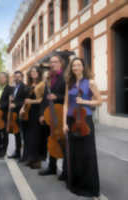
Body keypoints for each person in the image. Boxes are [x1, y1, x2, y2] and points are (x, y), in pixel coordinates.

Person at [63, 57, 102, 198]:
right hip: (71, 120)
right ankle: (76, 184)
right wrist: (64, 123)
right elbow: (66, 104)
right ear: (71, 68)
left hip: (85, 119)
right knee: (74, 154)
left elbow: (99, 101)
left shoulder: (90, 82)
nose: (76, 67)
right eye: (73, 65)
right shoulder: (70, 83)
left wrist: (84, 100)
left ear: (83, 67)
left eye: (78, 65)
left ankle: (89, 187)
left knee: (87, 153)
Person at [38, 54, 67, 180]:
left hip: (61, 115)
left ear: (60, 64)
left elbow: (68, 97)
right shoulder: (49, 79)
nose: (52, 64)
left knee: (63, 141)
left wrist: (57, 97)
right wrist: (41, 114)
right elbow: (44, 99)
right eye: (51, 62)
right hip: (50, 115)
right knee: (52, 139)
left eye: (55, 62)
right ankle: (52, 167)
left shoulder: (65, 77)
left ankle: (66, 171)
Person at [20, 67, 43, 169]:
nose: (33, 73)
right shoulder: (29, 86)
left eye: (35, 71)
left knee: (36, 137)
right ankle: (30, 158)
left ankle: (37, 161)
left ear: (39, 73)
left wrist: (31, 102)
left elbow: (42, 99)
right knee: (29, 137)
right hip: (28, 113)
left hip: (37, 112)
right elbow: (26, 99)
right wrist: (22, 108)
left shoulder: (42, 84)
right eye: (31, 72)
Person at [0, 72, 13, 158]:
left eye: (3, 77)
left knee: (4, 133)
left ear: (6, 79)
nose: (1, 79)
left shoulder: (10, 89)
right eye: (0, 77)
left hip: (4, 114)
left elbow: (10, 101)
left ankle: (3, 150)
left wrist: (0, 105)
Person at [8, 71, 26, 160]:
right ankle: (17, 152)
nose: (17, 78)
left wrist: (16, 104)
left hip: (21, 114)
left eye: (19, 76)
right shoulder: (14, 87)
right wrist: (12, 99)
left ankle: (24, 155)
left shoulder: (24, 87)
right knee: (17, 134)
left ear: (22, 77)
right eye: (16, 77)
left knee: (22, 135)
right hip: (14, 114)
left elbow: (25, 100)